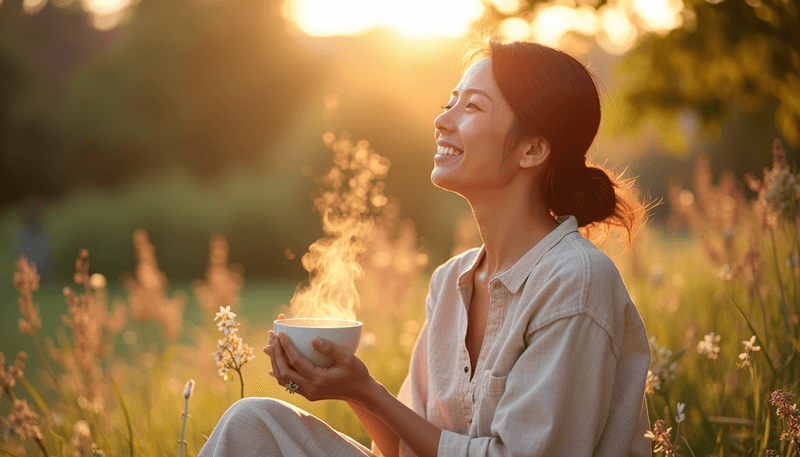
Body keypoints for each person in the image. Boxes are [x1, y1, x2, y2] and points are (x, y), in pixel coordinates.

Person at [197, 38, 652, 457]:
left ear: (532, 149)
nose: (442, 121)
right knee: (252, 422)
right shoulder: (449, 283)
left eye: (472, 107)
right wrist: (353, 388)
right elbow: (398, 448)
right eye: (447, 104)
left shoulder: (575, 280)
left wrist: (370, 391)